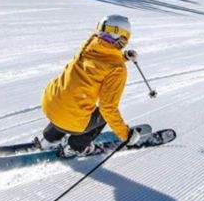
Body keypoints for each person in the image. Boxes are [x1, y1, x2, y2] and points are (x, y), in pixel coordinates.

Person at [39, 14, 141, 157]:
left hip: (50, 105)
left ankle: (49, 139)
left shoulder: (88, 45)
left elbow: (101, 60)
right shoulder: (117, 69)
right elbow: (108, 108)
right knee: (103, 114)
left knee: (71, 100)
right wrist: (126, 134)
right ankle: (75, 147)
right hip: (72, 121)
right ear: (122, 37)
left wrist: (123, 57)